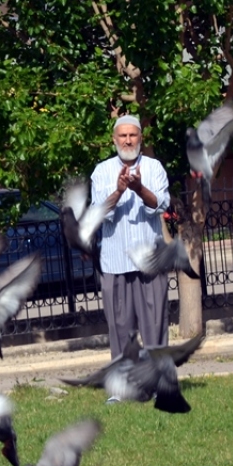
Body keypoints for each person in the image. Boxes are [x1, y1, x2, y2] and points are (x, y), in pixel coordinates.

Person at [90, 115, 172, 363]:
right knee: (119, 329)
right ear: (114, 139)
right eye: (123, 136)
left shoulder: (154, 167)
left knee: (156, 325)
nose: (128, 140)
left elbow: (161, 204)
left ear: (140, 137)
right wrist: (118, 190)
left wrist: (139, 189)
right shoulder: (102, 171)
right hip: (115, 264)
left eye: (132, 135)